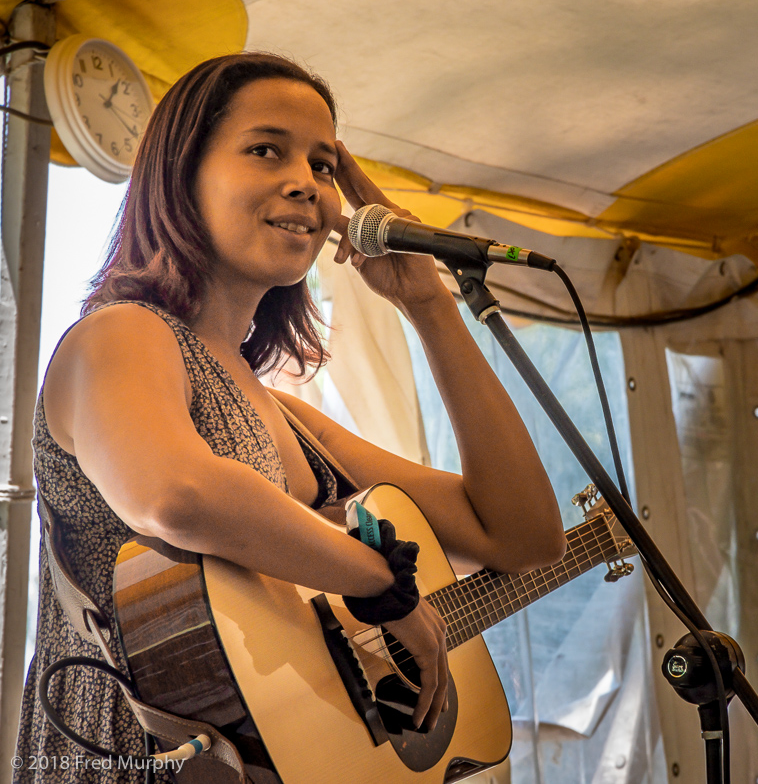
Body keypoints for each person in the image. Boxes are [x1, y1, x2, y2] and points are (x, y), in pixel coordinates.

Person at [15, 52, 565, 782]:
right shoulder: (120, 335)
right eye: (265, 149)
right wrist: (381, 583)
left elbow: (521, 533)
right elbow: (175, 493)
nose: (306, 181)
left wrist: (427, 305)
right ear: (183, 175)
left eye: (325, 163)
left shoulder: (290, 417)